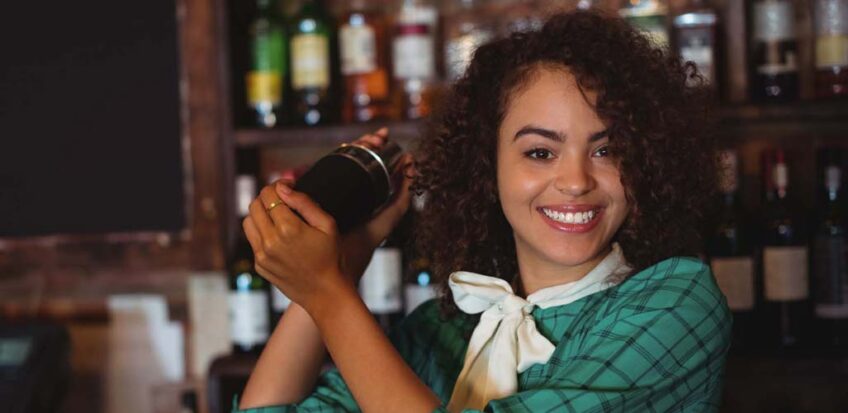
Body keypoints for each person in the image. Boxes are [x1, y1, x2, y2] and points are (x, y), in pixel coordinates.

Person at [236, 10, 731, 413]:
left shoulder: (675, 305)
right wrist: (346, 255)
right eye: (540, 152)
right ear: (486, 165)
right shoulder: (445, 329)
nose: (577, 181)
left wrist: (327, 292)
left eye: (607, 150)